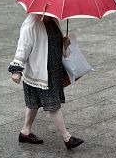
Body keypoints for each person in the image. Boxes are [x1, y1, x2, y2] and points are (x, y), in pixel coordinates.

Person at [8, 13, 84, 149]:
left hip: (53, 70)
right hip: (39, 72)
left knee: (33, 103)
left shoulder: (53, 20)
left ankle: (25, 132)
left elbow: (52, 43)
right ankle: (67, 138)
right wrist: (16, 70)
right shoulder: (31, 24)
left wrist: (64, 43)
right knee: (53, 105)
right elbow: (23, 47)